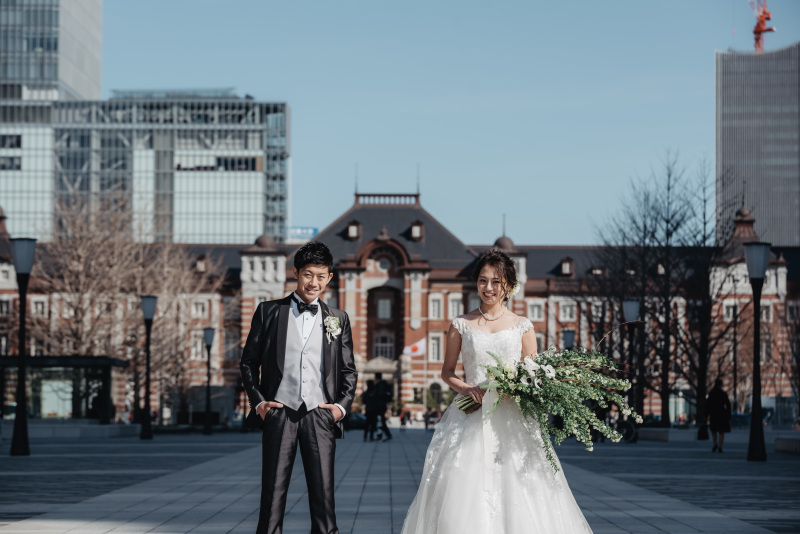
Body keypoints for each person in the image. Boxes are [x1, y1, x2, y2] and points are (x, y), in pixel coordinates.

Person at [401, 249, 593, 533]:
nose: (488, 288)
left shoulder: (523, 327)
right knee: (463, 485)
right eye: (482, 280)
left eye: (496, 282)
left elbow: (533, 375)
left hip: (512, 415)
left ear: (508, 285)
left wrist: (517, 389)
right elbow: (447, 372)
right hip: (470, 413)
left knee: (520, 485)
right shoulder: (460, 325)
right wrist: (467, 388)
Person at [240, 241, 358, 534]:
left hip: (320, 415)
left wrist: (339, 408)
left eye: (320, 276)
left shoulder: (338, 319)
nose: (313, 282)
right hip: (279, 412)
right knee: (272, 496)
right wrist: (260, 404)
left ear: (330, 277)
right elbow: (247, 363)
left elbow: (348, 370)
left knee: (323, 498)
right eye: (308, 274)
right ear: (295, 273)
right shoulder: (269, 312)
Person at [707, 378, 731, 453]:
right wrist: (728, 414)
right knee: (721, 431)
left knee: (713, 431)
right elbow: (728, 405)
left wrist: (706, 415)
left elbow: (707, 405)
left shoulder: (711, 393)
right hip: (721, 414)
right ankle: (720, 446)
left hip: (713, 414)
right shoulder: (723, 394)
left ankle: (715, 444)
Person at [373, 372, 393, 441]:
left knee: (381, 421)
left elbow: (379, 395)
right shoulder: (383, 384)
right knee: (380, 421)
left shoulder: (380, 385)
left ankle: (387, 435)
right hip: (382, 405)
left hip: (380, 405)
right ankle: (380, 435)